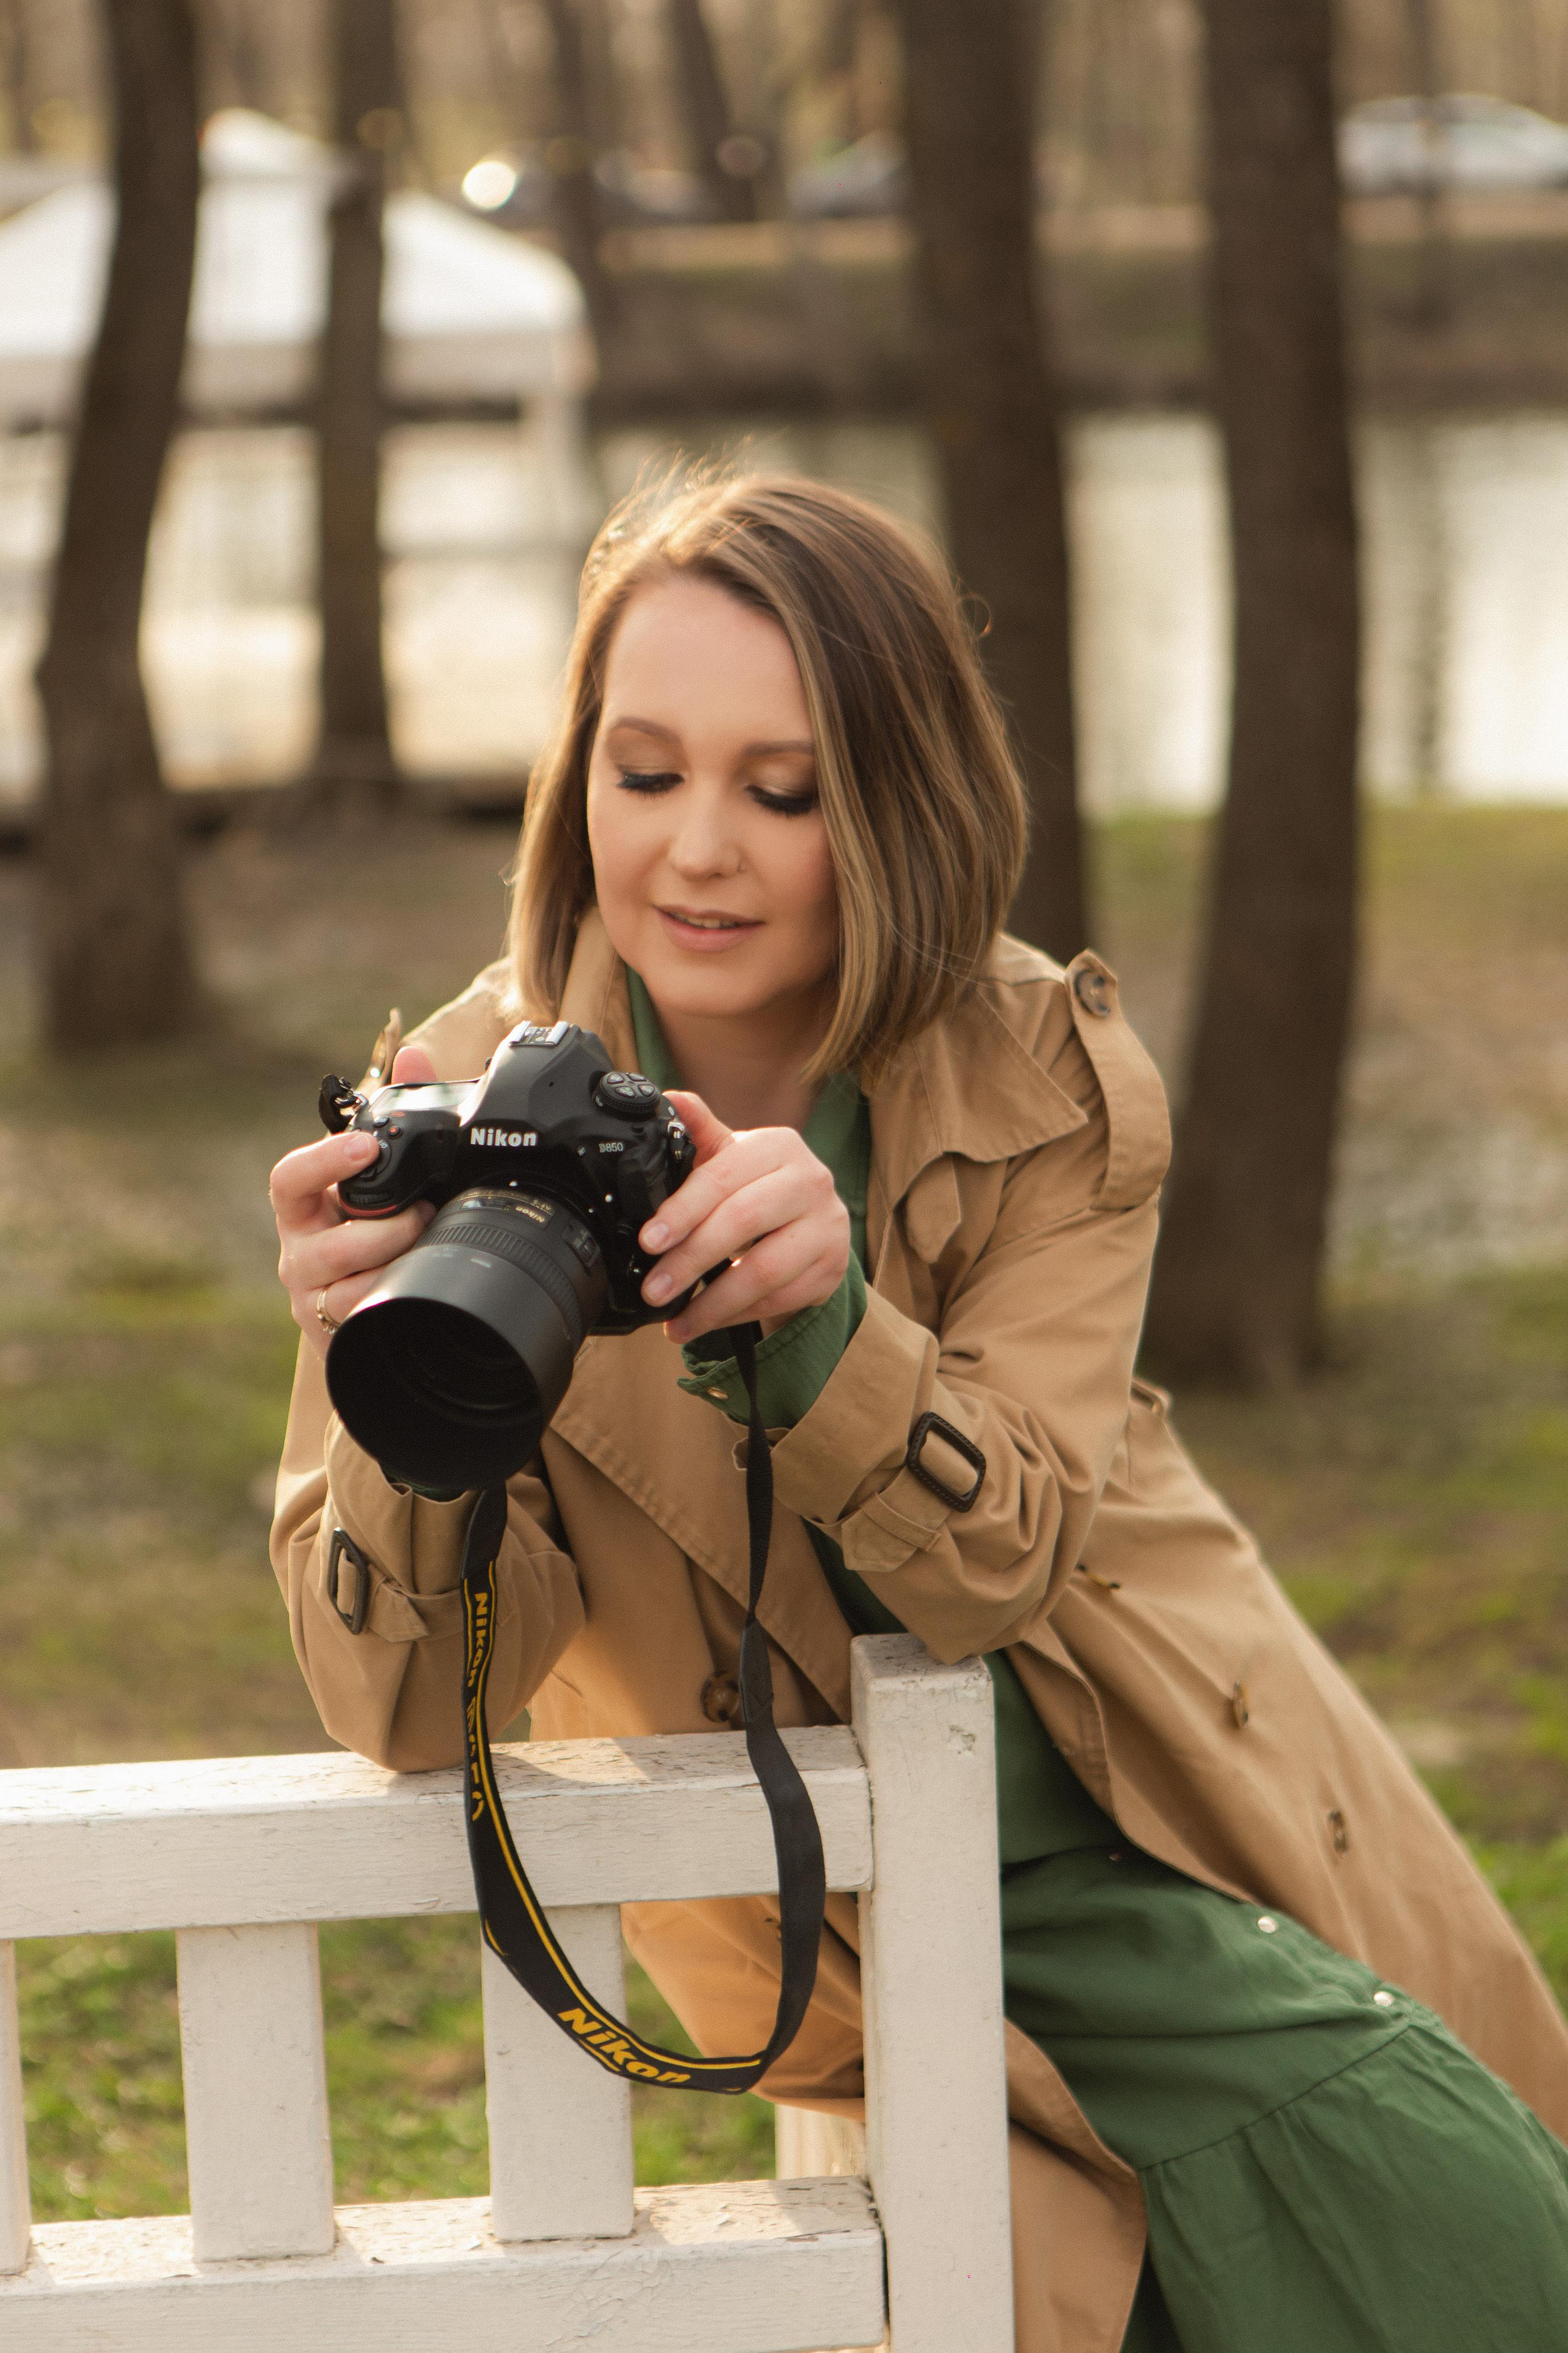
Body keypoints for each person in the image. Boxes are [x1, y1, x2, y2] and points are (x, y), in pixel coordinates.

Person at [269, 474, 1568, 2352]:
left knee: (1483, 2241)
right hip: (855, 1932)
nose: (698, 851)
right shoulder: (459, 1112)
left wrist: (823, 1323)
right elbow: (400, 1705)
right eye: (644, 775)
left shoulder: (1041, 1072)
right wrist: (389, 1383)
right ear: (577, 788)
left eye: (781, 790)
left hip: (1166, 1828)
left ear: (895, 805)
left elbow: (1002, 1560)